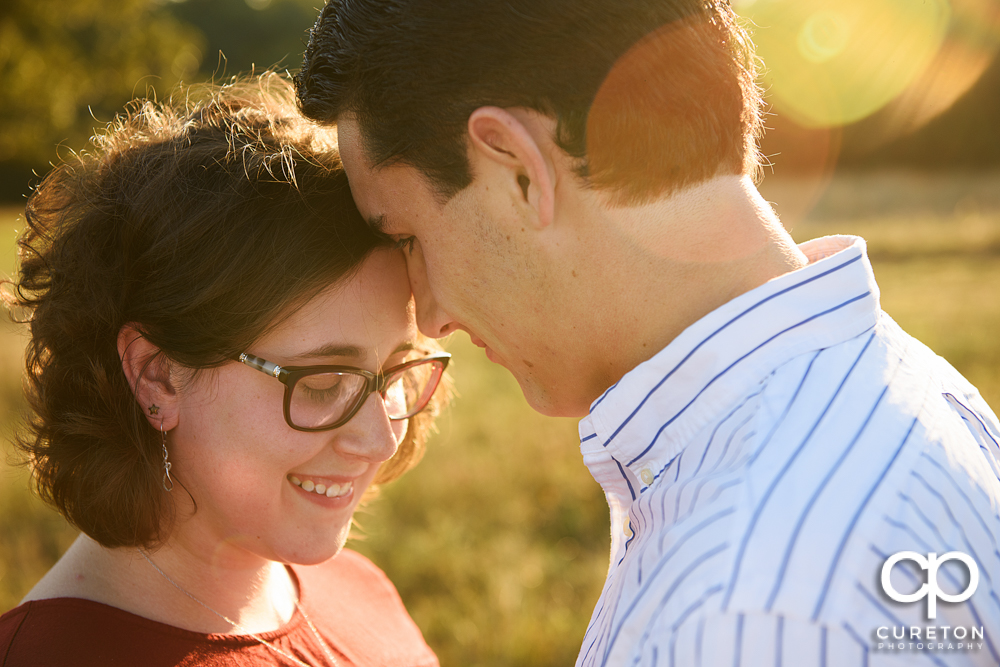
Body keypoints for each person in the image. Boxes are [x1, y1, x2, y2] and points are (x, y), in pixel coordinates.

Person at [296, 1, 1000, 664]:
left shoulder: (741, 608)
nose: (427, 313)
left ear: (516, 169)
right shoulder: (909, 392)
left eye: (409, 236)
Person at [0, 73, 448, 667]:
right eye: (320, 384)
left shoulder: (361, 590)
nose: (380, 439)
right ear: (158, 376)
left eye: (394, 370)